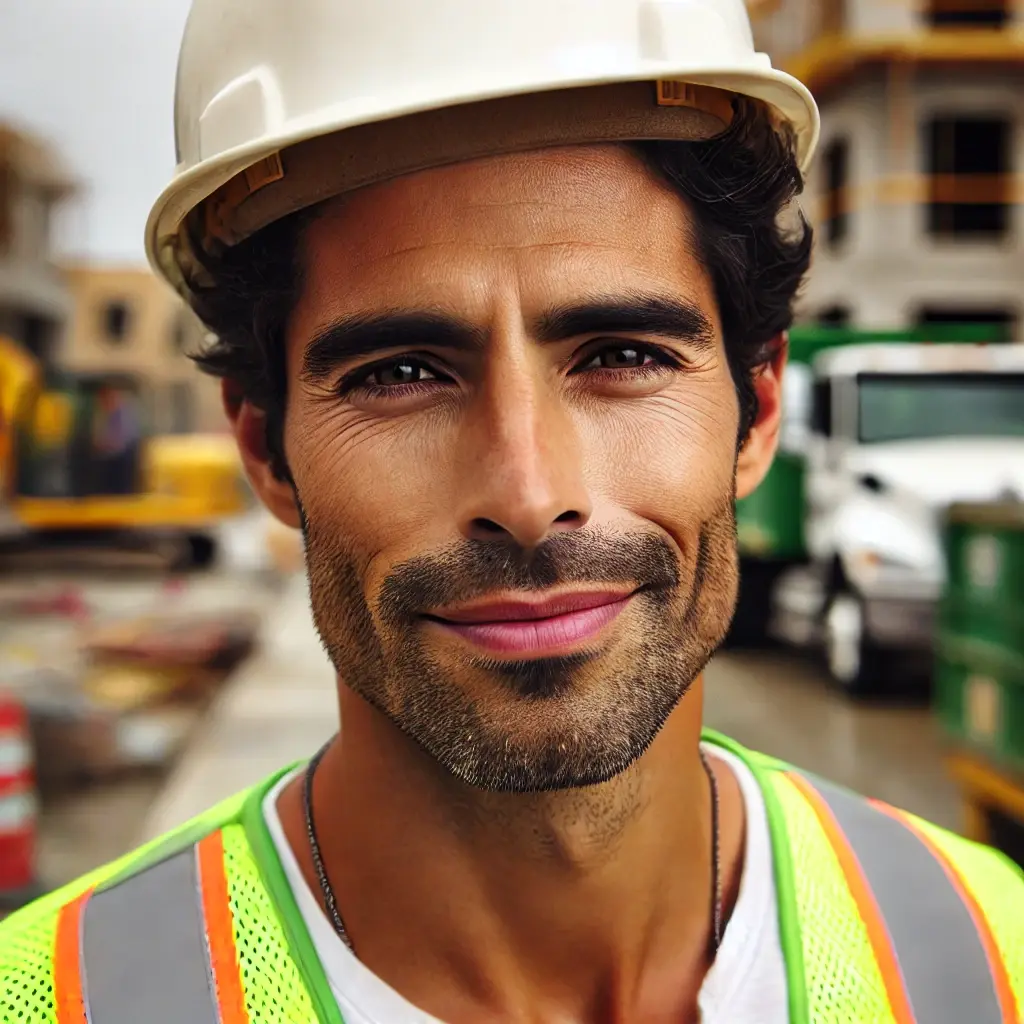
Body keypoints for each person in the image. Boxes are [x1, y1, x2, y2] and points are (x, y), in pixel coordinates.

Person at [3, 1, 1023, 1021]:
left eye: (623, 356)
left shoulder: (991, 951)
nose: (530, 497)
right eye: (400, 372)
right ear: (267, 448)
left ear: (755, 412)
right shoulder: (52, 996)